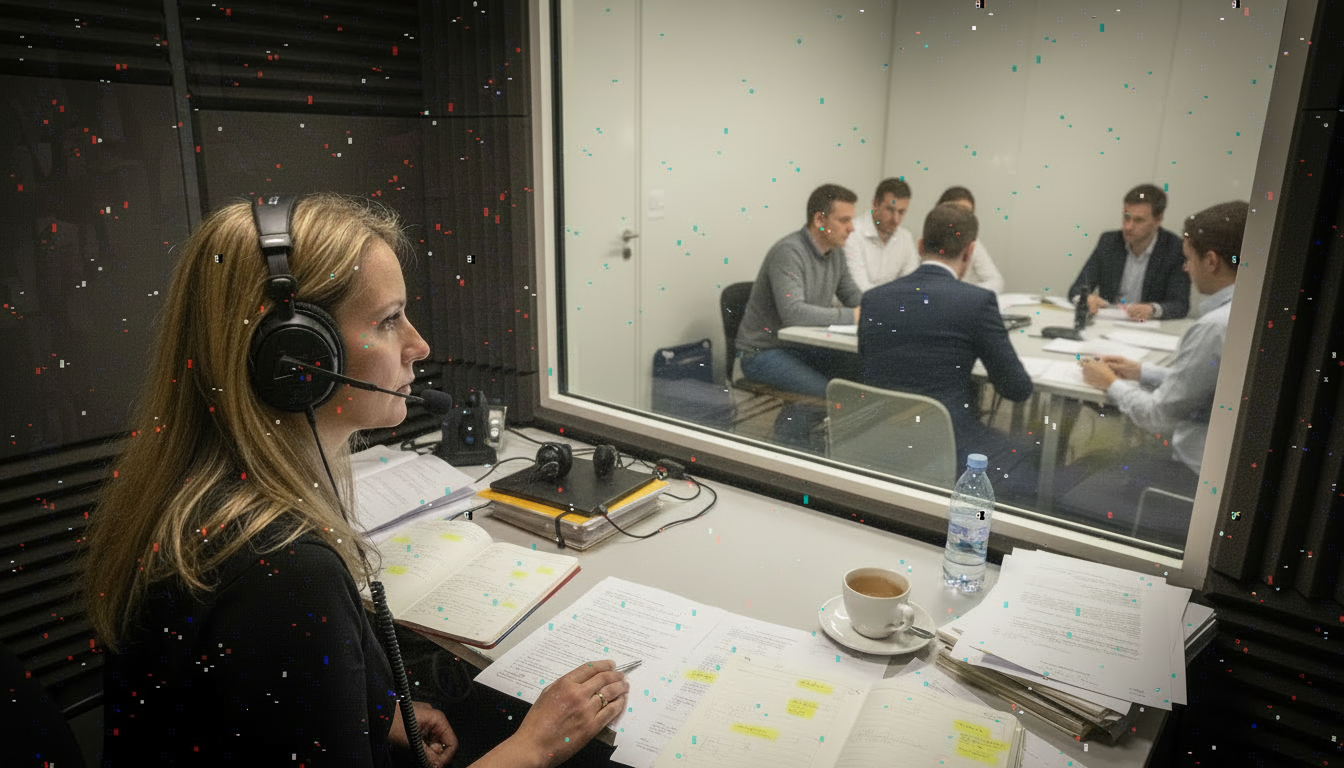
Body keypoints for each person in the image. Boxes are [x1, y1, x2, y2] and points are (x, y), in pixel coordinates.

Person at [82, 194, 628, 767]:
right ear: (296, 354)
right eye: (389, 320)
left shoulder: (189, 494)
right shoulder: (285, 573)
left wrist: (373, 708)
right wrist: (535, 745)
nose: (418, 346)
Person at [1074, 200, 1248, 536]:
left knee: (1077, 480)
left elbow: (1158, 416)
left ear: (1210, 260)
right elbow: (1207, 387)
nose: (1186, 268)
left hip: (1192, 477)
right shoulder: (1246, 309)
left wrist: (1110, 384)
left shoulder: (1214, 327)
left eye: (1189, 260)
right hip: (1227, 473)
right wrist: (1142, 372)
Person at [859, 202, 1037, 500]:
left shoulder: (875, 299)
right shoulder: (976, 302)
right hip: (945, 441)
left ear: (919, 246)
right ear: (969, 252)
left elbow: (867, 365)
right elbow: (1017, 389)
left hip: (876, 433)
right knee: (1028, 451)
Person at [736, 183, 863, 448]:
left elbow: (854, 296)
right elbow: (794, 312)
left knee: (861, 374)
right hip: (763, 352)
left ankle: (809, 442)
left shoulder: (835, 254)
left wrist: (879, 309)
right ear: (819, 219)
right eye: (844, 220)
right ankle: (787, 449)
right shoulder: (789, 252)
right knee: (826, 393)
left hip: (800, 348)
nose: (851, 228)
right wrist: (853, 316)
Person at [1067, 184, 1191, 320]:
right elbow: (1077, 288)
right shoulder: (1109, 242)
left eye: (1139, 220)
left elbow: (1180, 304)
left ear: (1158, 220)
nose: (1128, 226)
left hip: (1147, 328)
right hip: (1108, 322)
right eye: (1126, 217)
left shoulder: (1175, 249)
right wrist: (1085, 298)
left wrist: (1152, 309)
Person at [844, 178, 919, 293]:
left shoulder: (905, 237)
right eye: (890, 210)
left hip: (892, 307)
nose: (896, 219)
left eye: (901, 212)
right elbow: (860, 288)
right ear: (875, 204)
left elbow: (911, 285)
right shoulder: (852, 233)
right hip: (855, 308)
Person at [933, 187, 1005, 294]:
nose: (962, 219)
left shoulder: (972, 243)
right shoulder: (930, 239)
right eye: (956, 211)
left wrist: (965, 293)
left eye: (967, 214)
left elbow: (996, 281)